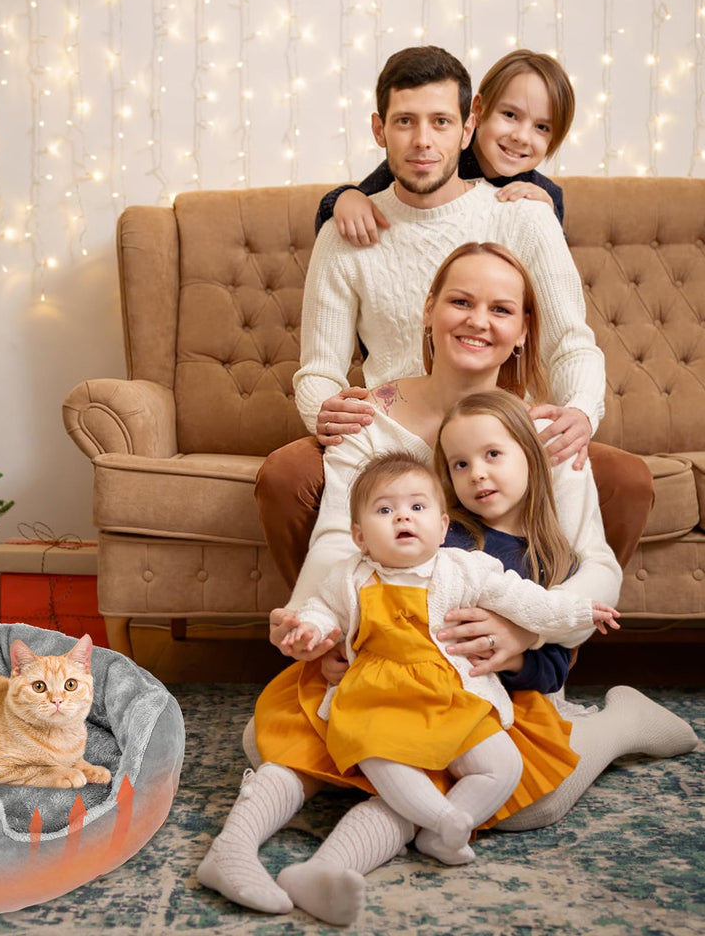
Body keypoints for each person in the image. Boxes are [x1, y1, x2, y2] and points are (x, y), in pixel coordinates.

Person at [197, 242, 697, 926]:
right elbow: (340, 547)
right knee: (271, 743)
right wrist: (322, 632)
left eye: (502, 309)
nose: (478, 321)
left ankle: (618, 723)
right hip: (394, 659)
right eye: (461, 301)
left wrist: (528, 633)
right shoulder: (369, 421)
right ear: (428, 310)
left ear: (523, 330)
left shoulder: (546, 433)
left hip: (483, 675)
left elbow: (594, 565)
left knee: (532, 804)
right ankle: (279, 844)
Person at [255, 46, 653, 590]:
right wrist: (323, 411)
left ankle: (546, 649)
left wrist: (581, 412)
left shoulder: (524, 214)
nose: (423, 141)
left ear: (467, 127)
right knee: (284, 474)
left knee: (627, 480)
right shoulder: (348, 229)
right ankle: (336, 629)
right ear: (379, 129)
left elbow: (569, 343)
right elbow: (319, 368)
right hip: (393, 435)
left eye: (441, 122)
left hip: (504, 434)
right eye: (404, 122)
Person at [279, 448, 619, 870]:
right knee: (382, 759)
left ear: (443, 528)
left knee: (502, 767)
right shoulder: (350, 576)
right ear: (360, 537)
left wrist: (581, 611)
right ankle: (447, 820)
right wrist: (309, 627)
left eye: (417, 507)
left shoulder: (465, 569)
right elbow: (321, 608)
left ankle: (441, 836)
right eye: (385, 510)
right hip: (376, 698)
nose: (403, 517)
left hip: (454, 695)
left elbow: (525, 601)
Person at [316, 47, 575, 240]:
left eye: (542, 127)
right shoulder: (438, 158)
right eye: (509, 115)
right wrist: (345, 197)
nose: (521, 136)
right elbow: (362, 199)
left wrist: (546, 219)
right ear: (477, 112)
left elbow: (552, 276)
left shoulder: (544, 194)